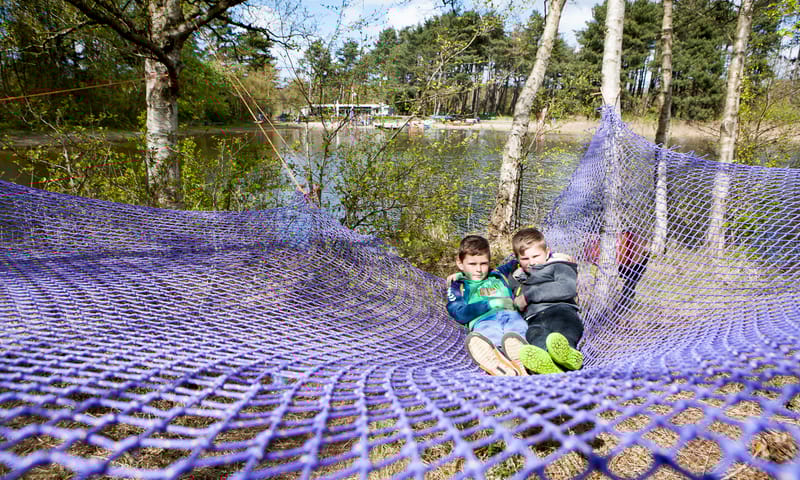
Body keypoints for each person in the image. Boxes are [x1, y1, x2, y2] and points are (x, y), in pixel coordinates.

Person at [498, 227, 584, 375]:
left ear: (547, 252)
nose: (531, 262)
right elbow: (490, 274)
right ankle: (549, 363)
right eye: (525, 259)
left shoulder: (558, 266)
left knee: (562, 333)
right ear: (517, 259)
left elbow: (567, 288)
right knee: (534, 335)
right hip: (533, 319)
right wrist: (461, 276)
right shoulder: (516, 276)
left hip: (561, 311)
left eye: (536, 256)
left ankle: (569, 355)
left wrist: (528, 296)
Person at [446, 235, 528, 376]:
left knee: (518, 331)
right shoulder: (458, 286)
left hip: (512, 316)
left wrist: (553, 256)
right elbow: (458, 312)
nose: (479, 269)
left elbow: (525, 258)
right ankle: (501, 364)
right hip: (484, 320)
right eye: (472, 264)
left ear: (489, 262)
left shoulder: (498, 273)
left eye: (483, 263)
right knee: (488, 336)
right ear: (460, 264)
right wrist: (491, 303)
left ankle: (522, 361)